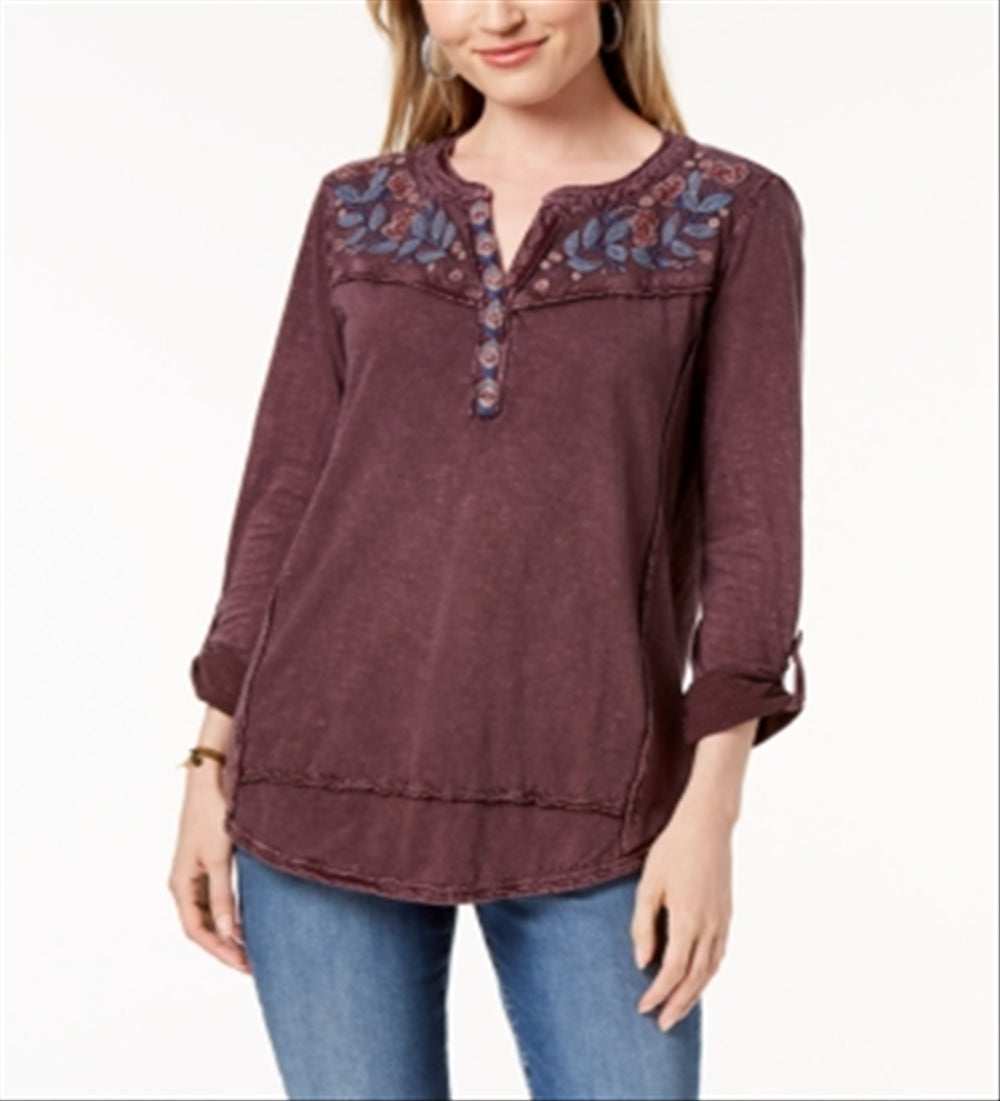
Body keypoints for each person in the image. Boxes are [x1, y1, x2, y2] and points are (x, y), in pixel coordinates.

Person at [168, 1, 807, 1098]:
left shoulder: (727, 211)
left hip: (597, 794)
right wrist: (208, 764)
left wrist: (711, 814)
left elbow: (754, 531)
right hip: (319, 775)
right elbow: (281, 495)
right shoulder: (358, 209)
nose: (496, 15)